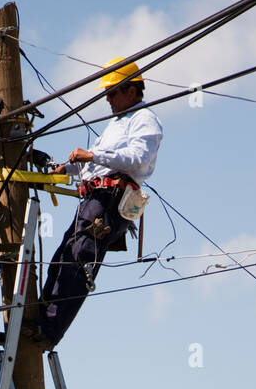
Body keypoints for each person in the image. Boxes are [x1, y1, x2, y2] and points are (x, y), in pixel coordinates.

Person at [29, 58, 163, 349]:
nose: (108, 99)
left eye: (113, 92)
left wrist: (93, 157)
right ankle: (37, 322)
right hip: (94, 199)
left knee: (79, 259)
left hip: (111, 200)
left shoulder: (144, 119)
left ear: (132, 90)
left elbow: (137, 159)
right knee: (63, 257)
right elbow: (94, 167)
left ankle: (50, 331)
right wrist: (66, 169)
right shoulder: (117, 124)